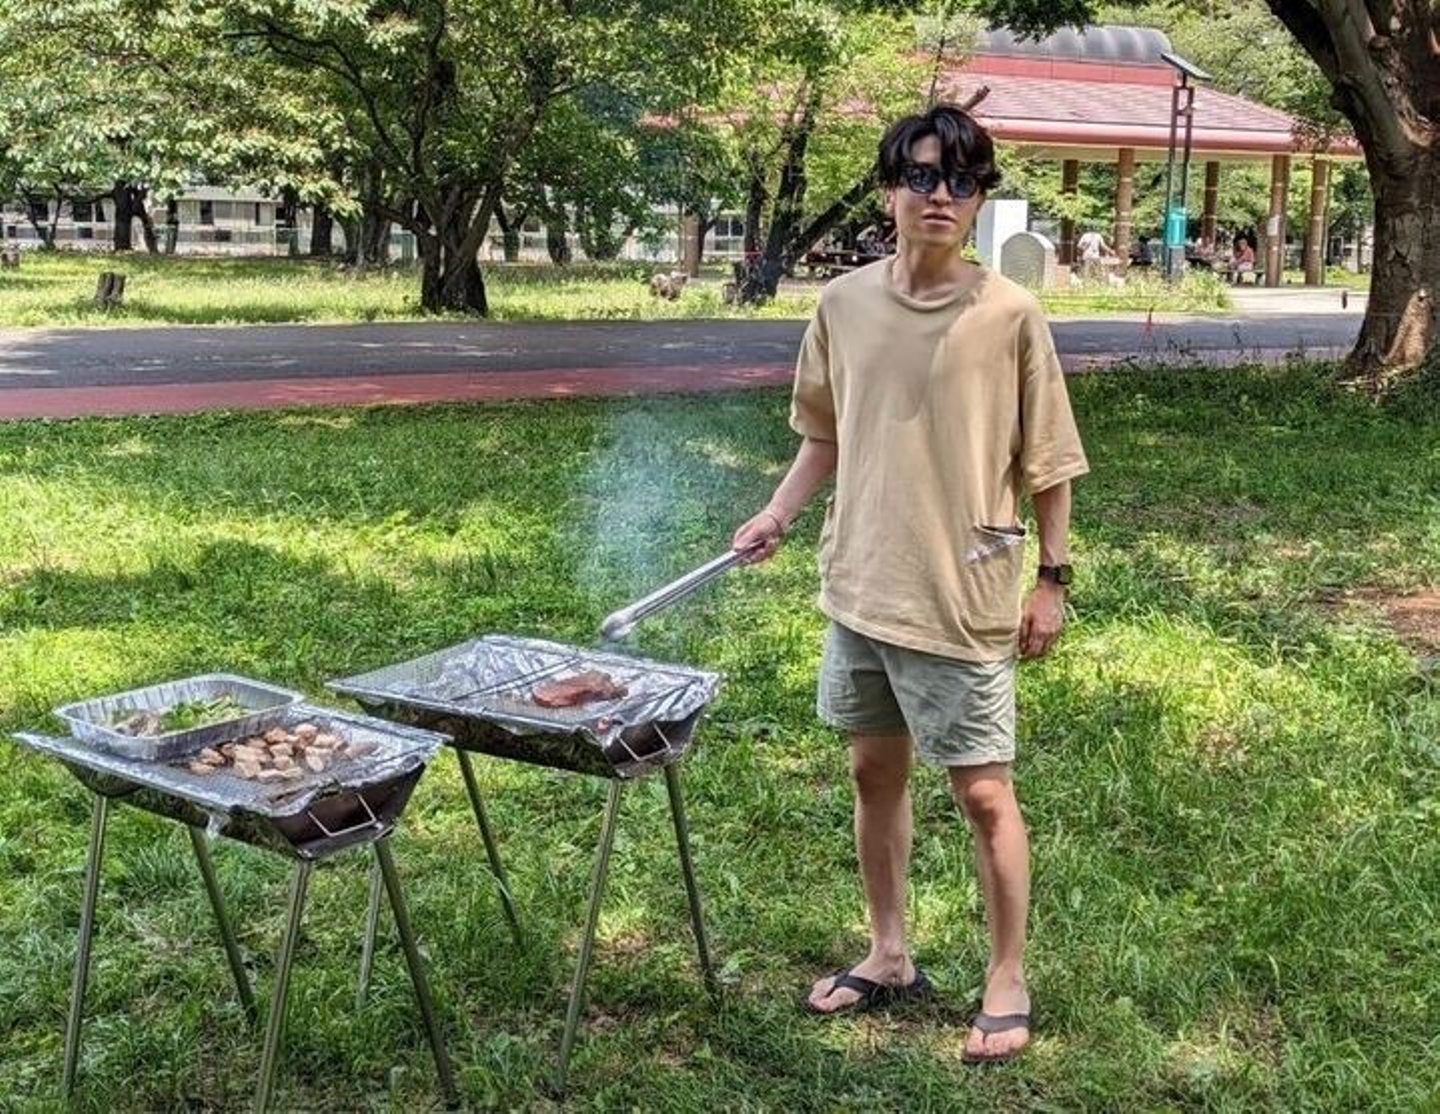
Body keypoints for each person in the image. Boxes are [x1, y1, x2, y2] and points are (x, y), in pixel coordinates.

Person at [732, 104, 1088, 1064]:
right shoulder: (842, 306)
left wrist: (1052, 579)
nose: (942, 197)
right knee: (871, 772)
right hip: (862, 582)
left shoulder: (1009, 314)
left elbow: (1050, 462)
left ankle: (1007, 977)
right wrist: (777, 513)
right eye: (923, 177)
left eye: (963, 183)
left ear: (978, 201)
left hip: (961, 589)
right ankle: (889, 953)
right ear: (890, 189)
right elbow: (825, 433)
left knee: (983, 791)